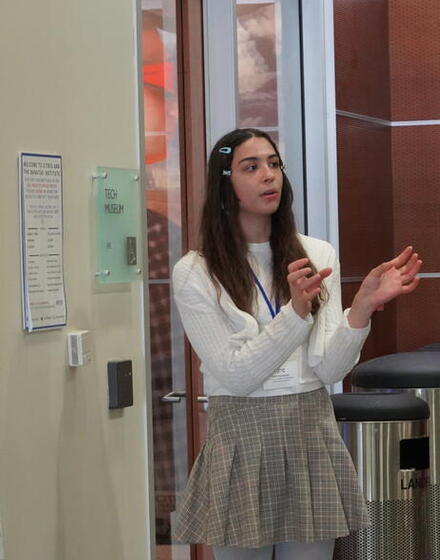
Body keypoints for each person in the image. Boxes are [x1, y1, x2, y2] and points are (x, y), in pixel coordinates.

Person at [171, 128, 422, 559]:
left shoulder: (316, 254)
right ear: (224, 183)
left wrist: (361, 308)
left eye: (274, 164)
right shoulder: (196, 271)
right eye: (251, 167)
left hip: (309, 427)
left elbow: (327, 368)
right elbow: (237, 374)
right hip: (240, 436)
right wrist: (295, 315)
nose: (269, 176)